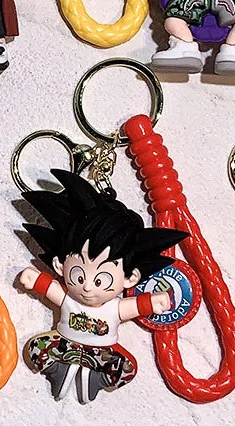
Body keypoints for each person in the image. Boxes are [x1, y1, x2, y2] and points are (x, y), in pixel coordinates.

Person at [18, 170, 187, 404]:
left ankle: (94, 379)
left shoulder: (113, 307)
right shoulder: (69, 298)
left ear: (130, 278)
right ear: (60, 265)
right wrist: (35, 280)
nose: (87, 287)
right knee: (36, 349)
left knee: (126, 368)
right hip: (63, 343)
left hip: (103, 352)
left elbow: (133, 307)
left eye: (100, 281)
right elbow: (51, 289)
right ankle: (58, 371)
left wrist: (152, 302)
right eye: (78, 275)